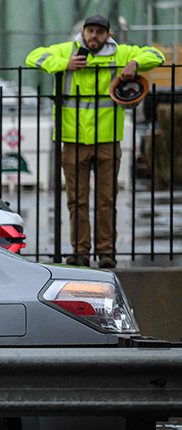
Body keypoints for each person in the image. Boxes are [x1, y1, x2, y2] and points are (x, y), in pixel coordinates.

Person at [26, 14, 164, 268]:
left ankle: (106, 252)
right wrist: (63, 63)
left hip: (107, 139)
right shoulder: (68, 50)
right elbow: (33, 57)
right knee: (76, 200)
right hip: (72, 138)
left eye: (99, 32)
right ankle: (80, 252)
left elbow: (157, 56)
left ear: (108, 35)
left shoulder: (119, 53)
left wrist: (134, 62)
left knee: (106, 199)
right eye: (90, 31)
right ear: (84, 32)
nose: (93, 36)